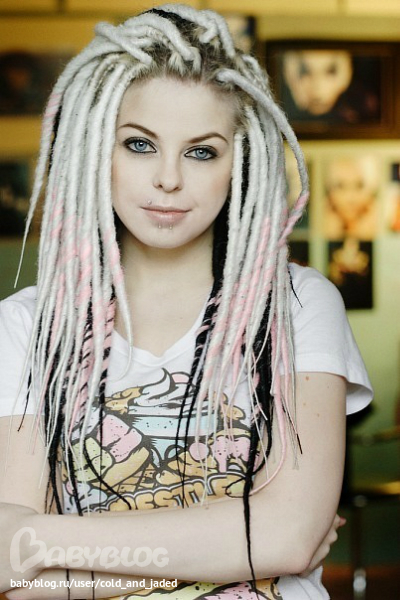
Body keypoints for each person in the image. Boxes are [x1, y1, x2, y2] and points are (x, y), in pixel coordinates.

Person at [0, 5, 373, 600]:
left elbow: (290, 537)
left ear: (237, 162)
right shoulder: (28, 325)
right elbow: (18, 579)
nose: (168, 178)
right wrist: (240, 551)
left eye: (201, 151)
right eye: (139, 144)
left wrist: (46, 537)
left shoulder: (298, 304)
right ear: (97, 150)